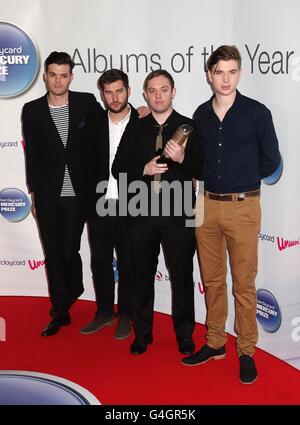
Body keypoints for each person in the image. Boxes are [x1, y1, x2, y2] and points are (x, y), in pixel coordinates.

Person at [181, 45, 281, 384]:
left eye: (231, 71)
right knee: (211, 281)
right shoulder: (200, 115)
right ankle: (215, 342)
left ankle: (247, 350)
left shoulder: (257, 113)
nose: (225, 79)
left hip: (243, 206)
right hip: (206, 205)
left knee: (243, 284)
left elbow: (271, 161)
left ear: (239, 74)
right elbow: (195, 161)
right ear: (209, 75)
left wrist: (243, 177)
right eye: (219, 72)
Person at [112, 70, 203, 355]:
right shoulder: (135, 127)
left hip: (178, 214)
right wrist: (144, 169)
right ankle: (143, 334)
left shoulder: (189, 126)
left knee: (182, 277)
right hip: (141, 214)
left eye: (164, 89)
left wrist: (183, 158)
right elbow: (117, 168)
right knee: (141, 277)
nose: (158, 95)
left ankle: (185, 334)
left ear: (173, 92)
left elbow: (201, 169)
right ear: (145, 95)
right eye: (152, 90)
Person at [22, 51, 101, 336]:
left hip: (77, 193)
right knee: (52, 252)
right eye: (53, 74)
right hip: (46, 194)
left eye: (63, 75)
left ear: (71, 76)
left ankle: (74, 287)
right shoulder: (31, 110)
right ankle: (60, 312)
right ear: (45, 76)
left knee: (69, 249)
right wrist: (33, 193)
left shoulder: (86, 103)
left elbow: (110, 126)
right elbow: (32, 155)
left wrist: (138, 112)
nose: (57, 80)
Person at [80, 69, 136, 339]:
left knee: (128, 264)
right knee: (100, 261)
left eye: (119, 91)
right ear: (102, 94)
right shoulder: (92, 123)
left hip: (132, 207)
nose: (115, 97)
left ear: (129, 91)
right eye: (109, 92)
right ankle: (104, 312)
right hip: (99, 205)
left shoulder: (143, 121)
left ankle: (126, 315)